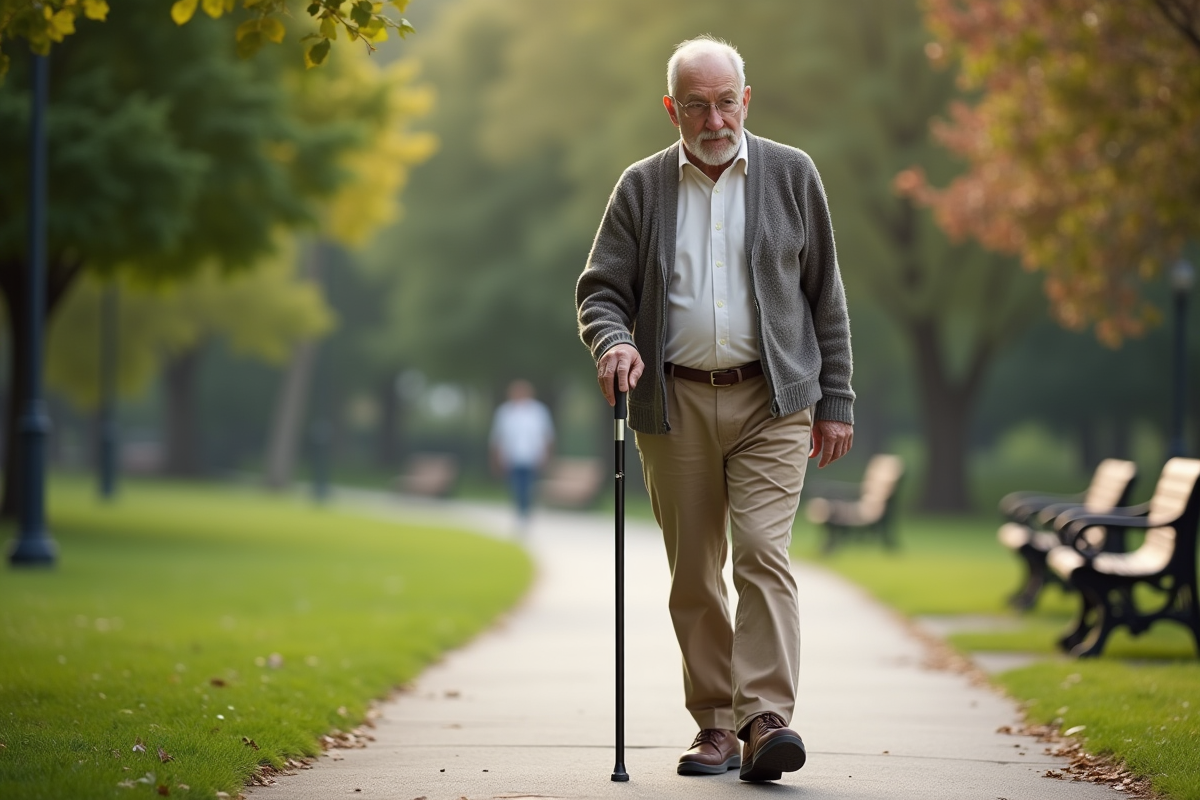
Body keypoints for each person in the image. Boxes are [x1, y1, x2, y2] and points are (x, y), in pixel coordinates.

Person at [575, 36, 855, 782]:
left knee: (762, 552)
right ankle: (716, 726)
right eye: (697, 105)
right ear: (672, 109)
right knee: (696, 572)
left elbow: (825, 295)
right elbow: (601, 289)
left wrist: (836, 397)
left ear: (746, 100)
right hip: (675, 402)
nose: (715, 119)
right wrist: (613, 342)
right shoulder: (641, 187)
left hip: (774, 399)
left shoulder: (792, 174)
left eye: (726, 102)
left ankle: (764, 720)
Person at [489, 379, 555, 532]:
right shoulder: (505, 412)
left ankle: (526, 512)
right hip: (512, 456)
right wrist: (496, 457)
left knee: (529, 487)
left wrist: (546, 455)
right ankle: (520, 512)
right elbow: (498, 437)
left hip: (533, 456)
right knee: (516, 487)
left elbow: (547, 435)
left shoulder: (539, 411)